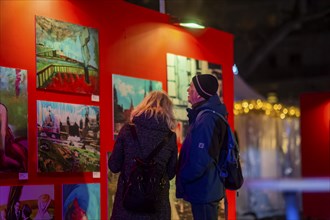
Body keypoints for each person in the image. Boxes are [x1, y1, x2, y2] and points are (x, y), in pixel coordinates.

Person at [108, 90, 178, 220]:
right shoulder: (170, 137)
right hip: (156, 208)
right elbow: (171, 173)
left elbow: (114, 166)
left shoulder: (127, 130)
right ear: (168, 109)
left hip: (127, 207)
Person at [176, 74, 228, 220]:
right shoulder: (207, 116)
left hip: (204, 190)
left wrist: (183, 175)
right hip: (206, 188)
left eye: (191, 87)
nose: (187, 90)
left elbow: (200, 159)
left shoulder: (206, 120)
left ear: (199, 93)